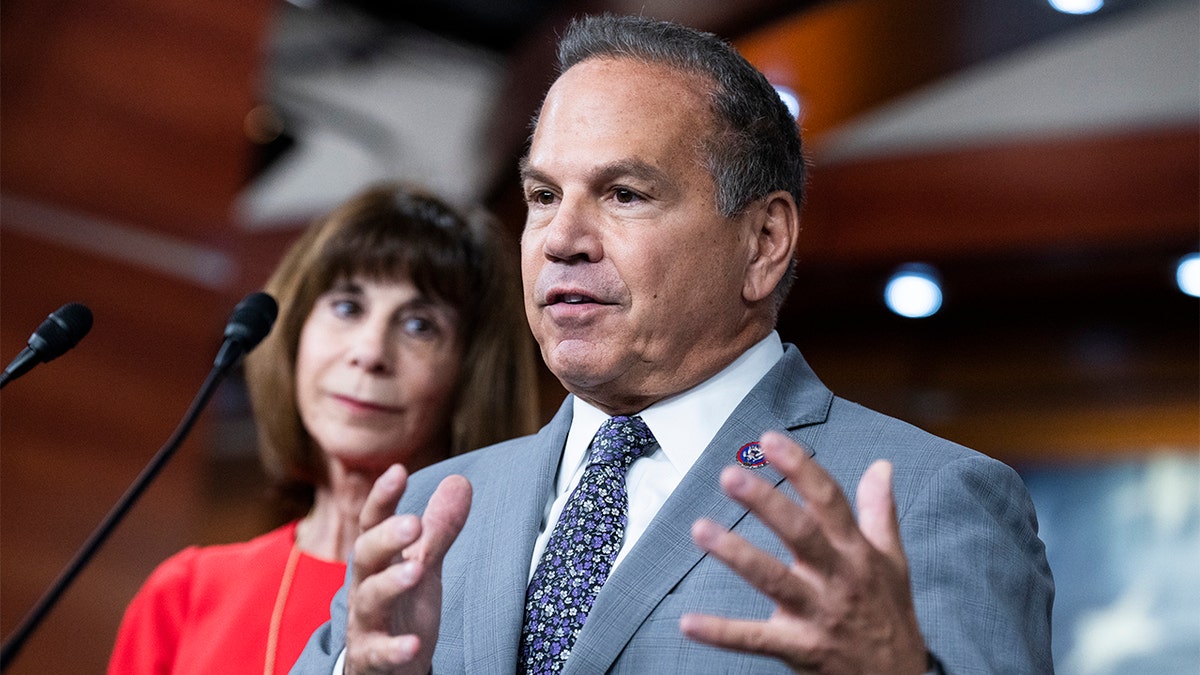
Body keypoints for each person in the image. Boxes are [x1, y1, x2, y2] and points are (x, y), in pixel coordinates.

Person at [294, 14, 1054, 675]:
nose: (561, 238)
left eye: (624, 194)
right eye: (543, 195)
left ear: (764, 241)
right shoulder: (433, 510)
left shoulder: (928, 499)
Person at [108, 182, 540, 675]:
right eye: (347, 307)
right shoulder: (186, 592)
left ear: (472, 376)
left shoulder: (508, 609)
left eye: (420, 325)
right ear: (295, 333)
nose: (370, 351)